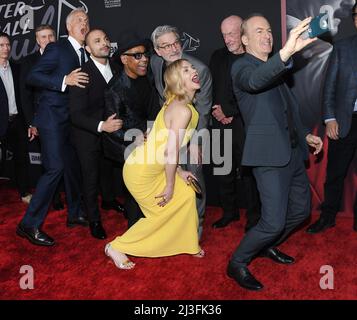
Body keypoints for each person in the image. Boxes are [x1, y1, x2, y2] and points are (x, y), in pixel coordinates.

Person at [227, 14, 323, 291]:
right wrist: (286, 52)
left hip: (292, 152)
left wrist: (304, 134)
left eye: (269, 30)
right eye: (259, 31)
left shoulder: (274, 68)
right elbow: (256, 81)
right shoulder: (242, 68)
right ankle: (237, 262)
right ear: (244, 40)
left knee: (301, 210)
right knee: (272, 222)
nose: (267, 35)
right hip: (268, 157)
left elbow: (288, 109)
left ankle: (267, 247)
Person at [105, 59, 204, 269]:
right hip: (142, 172)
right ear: (178, 81)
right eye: (185, 70)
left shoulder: (175, 102)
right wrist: (169, 184)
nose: (193, 71)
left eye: (192, 68)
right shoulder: (182, 110)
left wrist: (179, 173)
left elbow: (158, 138)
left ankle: (188, 243)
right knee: (161, 212)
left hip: (149, 165)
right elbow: (170, 151)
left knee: (186, 194)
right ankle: (117, 246)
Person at [16, 8, 90, 246]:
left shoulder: (84, 54)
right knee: (55, 168)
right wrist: (63, 81)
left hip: (72, 119)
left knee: (72, 166)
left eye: (87, 20)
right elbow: (33, 77)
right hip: (51, 118)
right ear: (68, 27)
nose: (85, 23)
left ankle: (75, 213)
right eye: (80, 20)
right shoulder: (57, 48)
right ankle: (29, 224)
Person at [150, 25, 212, 238]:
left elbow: (203, 110)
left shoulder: (199, 69)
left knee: (193, 177)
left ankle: (197, 226)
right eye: (165, 46)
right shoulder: (156, 63)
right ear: (157, 50)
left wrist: (196, 142)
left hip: (192, 131)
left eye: (175, 42)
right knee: (170, 174)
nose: (172, 48)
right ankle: (175, 224)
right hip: (169, 130)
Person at [306, 3, 357, 234]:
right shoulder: (343, 48)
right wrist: (329, 118)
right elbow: (329, 87)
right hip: (346, 120)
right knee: (335, 173)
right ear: (354, 20)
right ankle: (328, 216)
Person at [69, 29, 124, 240]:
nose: (104, 43)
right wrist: (102, 126)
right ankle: (94, 219)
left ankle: (109, 200)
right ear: (88, 48)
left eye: (106, 39)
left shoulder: (118, 68)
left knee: (108, 170)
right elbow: (76, 115)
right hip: (88, 135)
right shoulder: (81, 73)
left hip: (111, 134)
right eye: (97, 41)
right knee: (91, 178)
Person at [103, 32, 160, 228]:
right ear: (124, 59)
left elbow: (153, 109)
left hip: (153, 142)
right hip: (130, 148)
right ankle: (135, 231)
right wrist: (135, 138)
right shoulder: (115, 89)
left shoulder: (150, 77)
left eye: (145, 55)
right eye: (137, 56)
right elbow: (112, 128)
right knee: (134, 195)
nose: (144, 59)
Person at [209, 15, 261, 231]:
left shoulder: (253, 58)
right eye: (223, 35)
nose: (227, 39)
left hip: (244, 124)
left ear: (242, 33)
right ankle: (229, 212)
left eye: (231, 34)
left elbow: (254, 93)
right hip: (219, 122)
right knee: (223, 171)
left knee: (248, 173)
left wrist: (230, 111)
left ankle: (254, 217)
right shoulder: (217, 56)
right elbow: (210, 87)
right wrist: (217, 111)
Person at [19, 24, 64, 211]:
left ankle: (64, 192)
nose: (47, 40)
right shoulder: (29, 61)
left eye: (50, 36)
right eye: (43, 37)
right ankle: (53, 197)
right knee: (49, 161)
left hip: (63, 116)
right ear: (37, 40)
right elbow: (25, 95)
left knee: (63, 158)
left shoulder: (62, 57)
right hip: (42, 119)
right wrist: (32, 122)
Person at [0, 32, 32, 204]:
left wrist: (29, 122)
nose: (6, 48)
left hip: (17, 121)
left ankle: (24, 192)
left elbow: (24, 98)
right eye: (1, 45)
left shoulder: (17, 68)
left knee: (22, 158)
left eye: (7, 45)